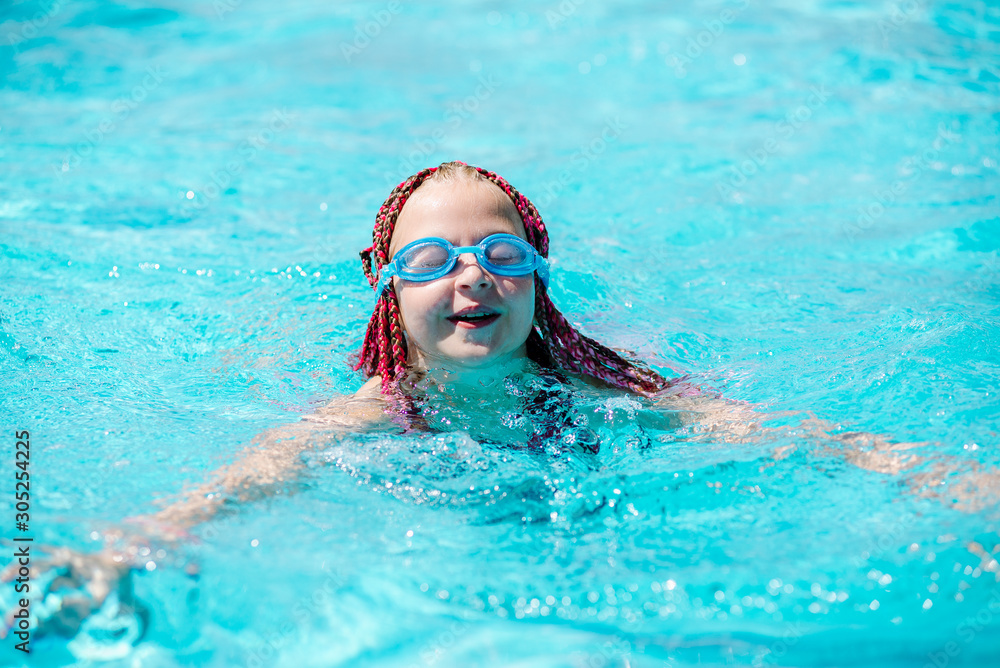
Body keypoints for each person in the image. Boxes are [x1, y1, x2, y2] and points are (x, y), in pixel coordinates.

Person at [0, 161, 944, 644]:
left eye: (500, 257)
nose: (469, 280)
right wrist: (132, 545)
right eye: (428, 262)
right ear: (388, 288)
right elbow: (249, 481)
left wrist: (914, 468)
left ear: (535, 281)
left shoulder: (593, 385)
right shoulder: (376, 410)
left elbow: (762, 431)